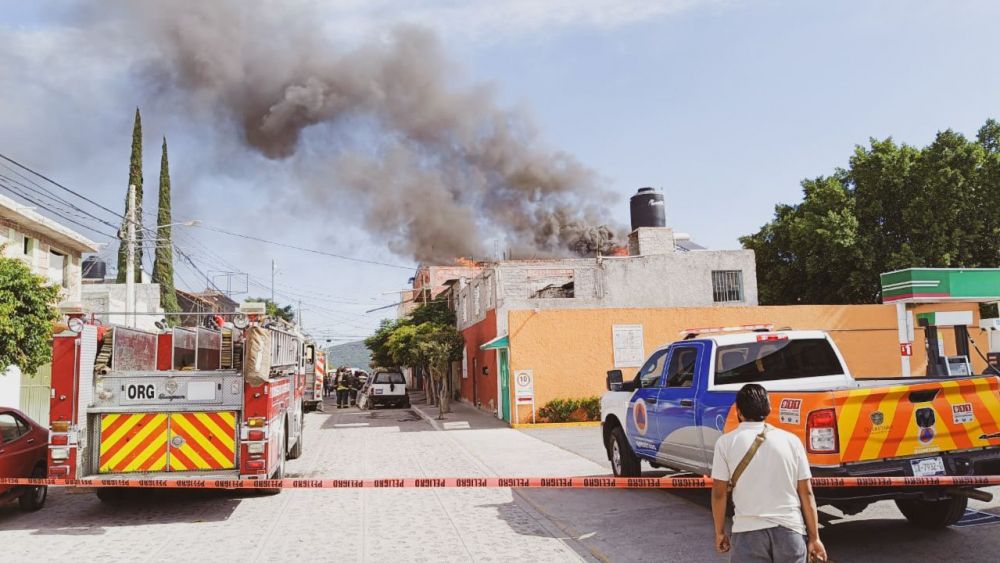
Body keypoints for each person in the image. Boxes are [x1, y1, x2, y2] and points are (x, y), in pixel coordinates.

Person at [710, 384, 827, 563]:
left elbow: (719, 494)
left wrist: (720, 532)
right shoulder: (792, 441)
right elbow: (806, 492)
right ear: (769, 409)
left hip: (747, 531)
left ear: (738, 412)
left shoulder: (725, 443)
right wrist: (815, 537)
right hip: (790, 531)